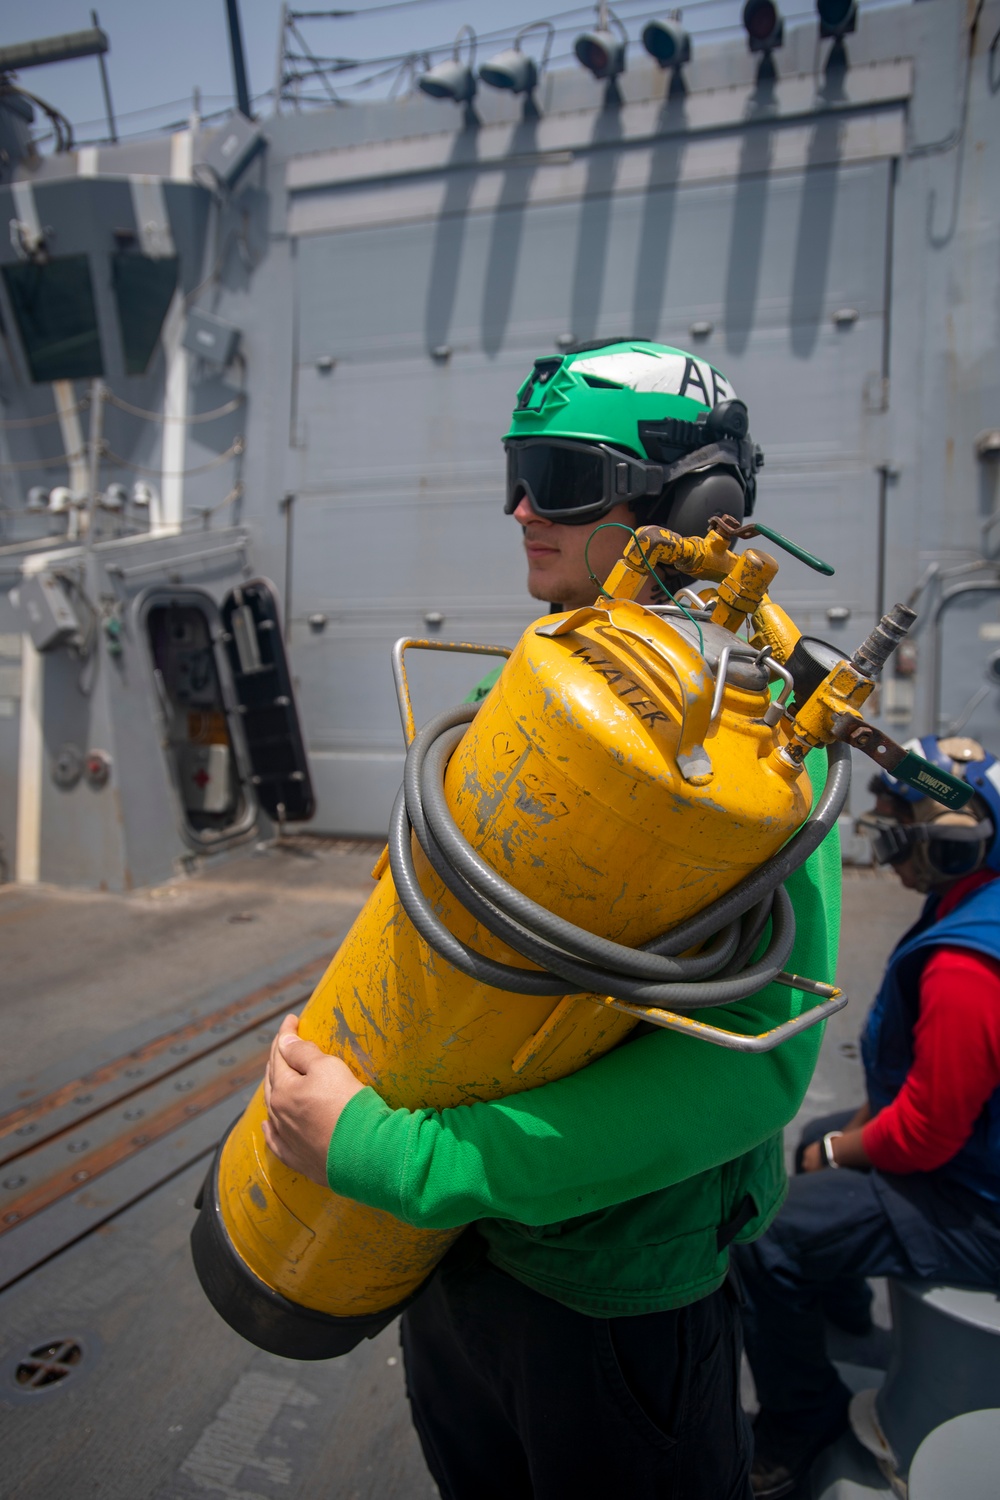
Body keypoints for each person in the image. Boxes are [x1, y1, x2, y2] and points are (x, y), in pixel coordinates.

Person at [262, 339, 842, 1500]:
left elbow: (748, 1081)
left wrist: (394, 1155)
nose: (523, 507)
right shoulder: (543, 677)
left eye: (565, 478)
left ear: (696, 502)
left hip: (608, 1298)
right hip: (456, 1252)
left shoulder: (750, 754)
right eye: (517, 469)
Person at [738, 735, 1000, 1499]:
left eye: (895, 831)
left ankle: (800, 1419)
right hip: (975, 1161)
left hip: (977, 1206)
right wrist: (846, 1138)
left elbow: (927, 1135)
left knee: (769, 1235)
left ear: (951, 846)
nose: (888, 855)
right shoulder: (978, 906)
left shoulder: (965, 969)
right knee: (821, 1142)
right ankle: (839, 1300)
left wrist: (841, 1154)